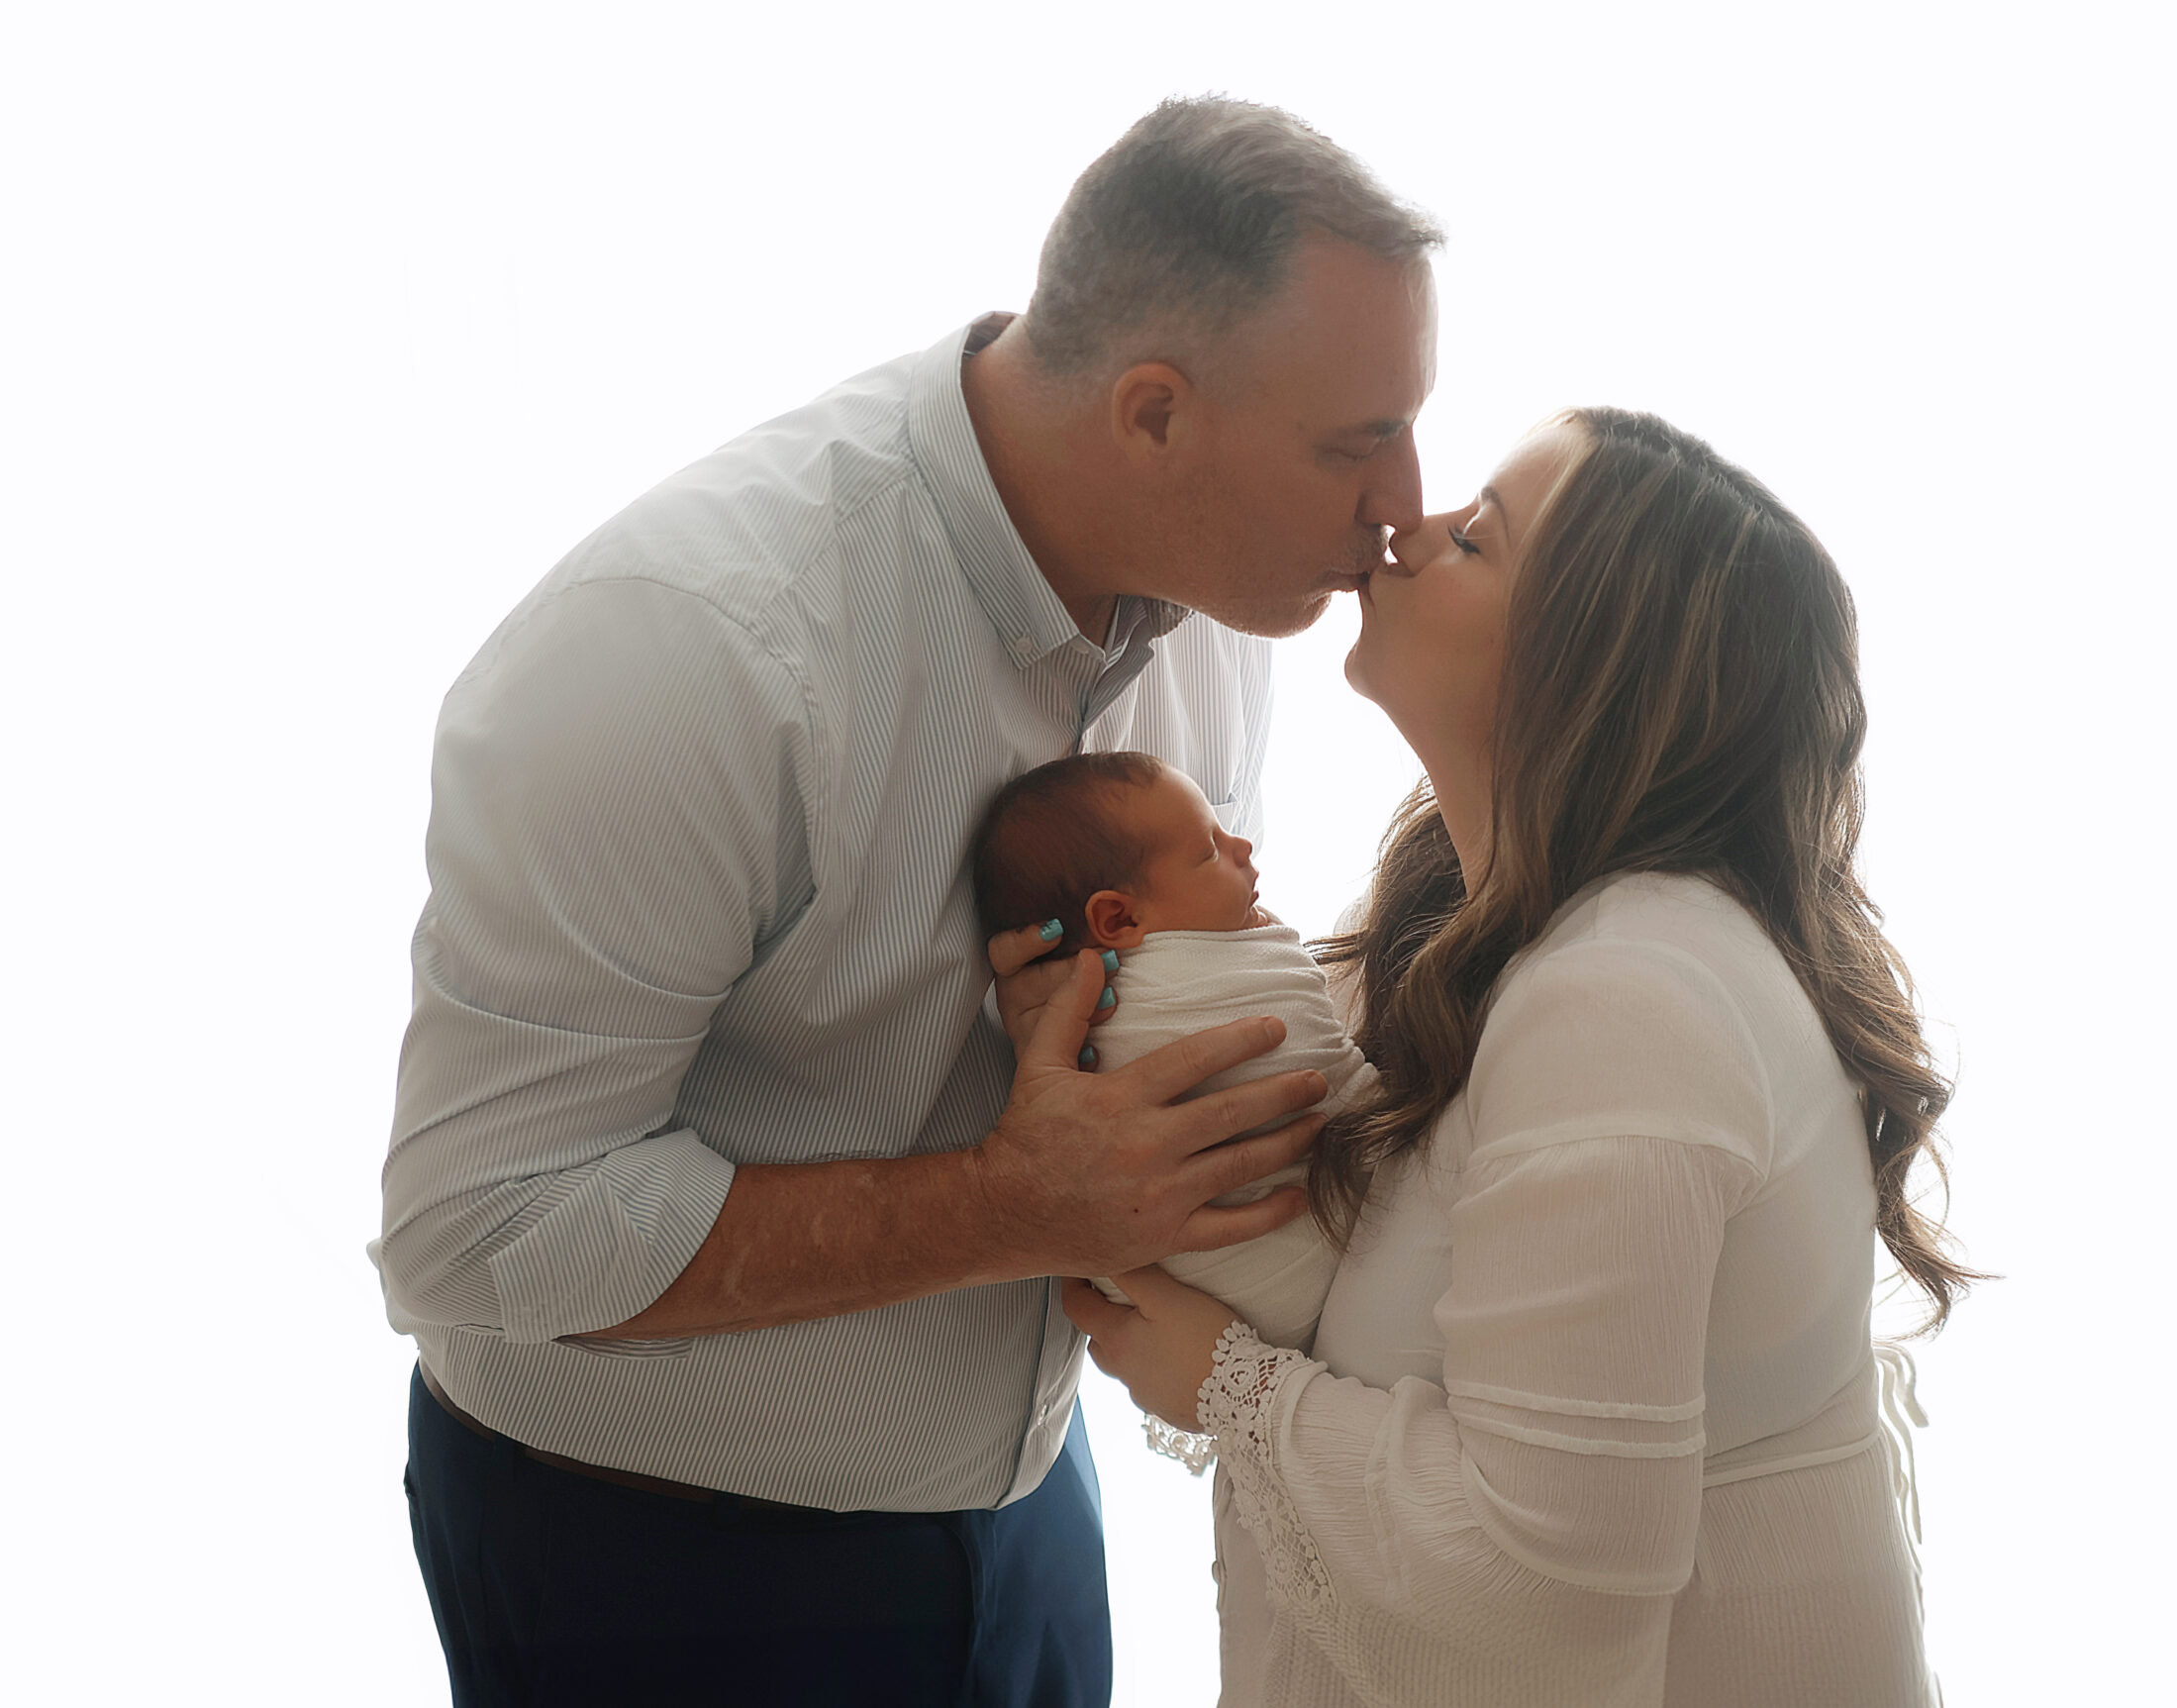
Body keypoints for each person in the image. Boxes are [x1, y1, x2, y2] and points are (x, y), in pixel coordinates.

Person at [373, 96, 1440, 1706]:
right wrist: (1008, 1208)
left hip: (1021, 1510)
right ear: (1154, 415)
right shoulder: (691, 651)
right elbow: (475, 1227)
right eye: (1356, 442)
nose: (1402, 508)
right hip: (658, 1574)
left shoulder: (1223, 604)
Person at [1065, 409, 1977, 1705]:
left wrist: (1219, 1381)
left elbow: (1543, 1597)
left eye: (1477, 536)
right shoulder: (1475, 929)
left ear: (1584, 672)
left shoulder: (1633, 997)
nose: (1408, 523)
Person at [970, 752, 1379, 1353]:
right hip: (1281, 1291)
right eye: (1209, 850)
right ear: (1118, 917)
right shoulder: (1198, 987)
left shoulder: (1085, 999)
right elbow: (1334, 1079)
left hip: (1192, 1320)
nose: (1241, 845)